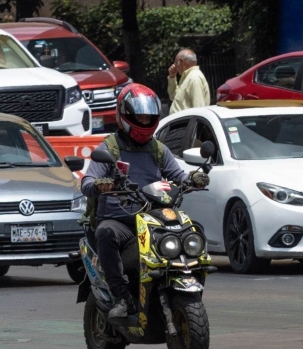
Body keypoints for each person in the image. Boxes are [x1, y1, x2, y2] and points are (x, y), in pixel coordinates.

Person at [81, 84, 209, 323]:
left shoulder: (157, 149)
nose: (144, 121)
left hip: (153, 218)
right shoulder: (110, 148)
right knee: (105, 233)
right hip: (121, 222)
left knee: (193, 230)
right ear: (125, 115)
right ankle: (121, 296)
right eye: (139, 117)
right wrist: (100, 185)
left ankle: (187, 280)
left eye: (148, 117)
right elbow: (87, 182)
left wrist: (193, 179)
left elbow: (178, 176)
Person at [168, 48, 211, 114]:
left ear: (182, 62)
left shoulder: (194, 78)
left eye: (175, 63)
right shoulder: (187, 77)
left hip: (185, 121)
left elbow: (199, 109)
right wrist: (172, 77)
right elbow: (172, 96)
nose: (174, 66)